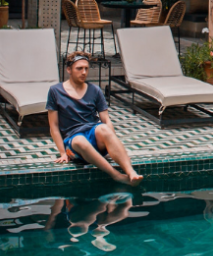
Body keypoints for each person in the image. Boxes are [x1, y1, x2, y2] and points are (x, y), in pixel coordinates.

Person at [47, 52, 143, 184]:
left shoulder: (95, 90)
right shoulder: (55, 91)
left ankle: (130, 172)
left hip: (94, 136)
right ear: (68, 69)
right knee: (80, 140)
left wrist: (113, 143)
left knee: (103, 128)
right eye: (79, 68)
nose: (84, 72)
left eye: (86, 68)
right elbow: (54, 126)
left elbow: (106, 120)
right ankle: (116, 175)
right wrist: (63, 153)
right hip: (74, 142)